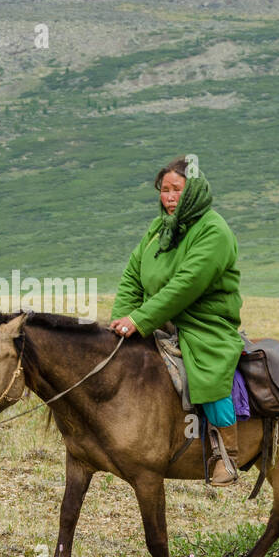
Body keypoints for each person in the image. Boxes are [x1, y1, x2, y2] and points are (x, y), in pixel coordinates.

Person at [111, 156, 244, 485]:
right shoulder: (159, 229)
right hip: (159, 319)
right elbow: (132, 278)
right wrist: (121, 321)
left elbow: (184, 287)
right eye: (164, 190)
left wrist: (140, 319)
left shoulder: (214, 231)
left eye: (177, 190)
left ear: (195, 192)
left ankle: (227, 453)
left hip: (204, 323)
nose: (169, 197)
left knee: (208, 372)